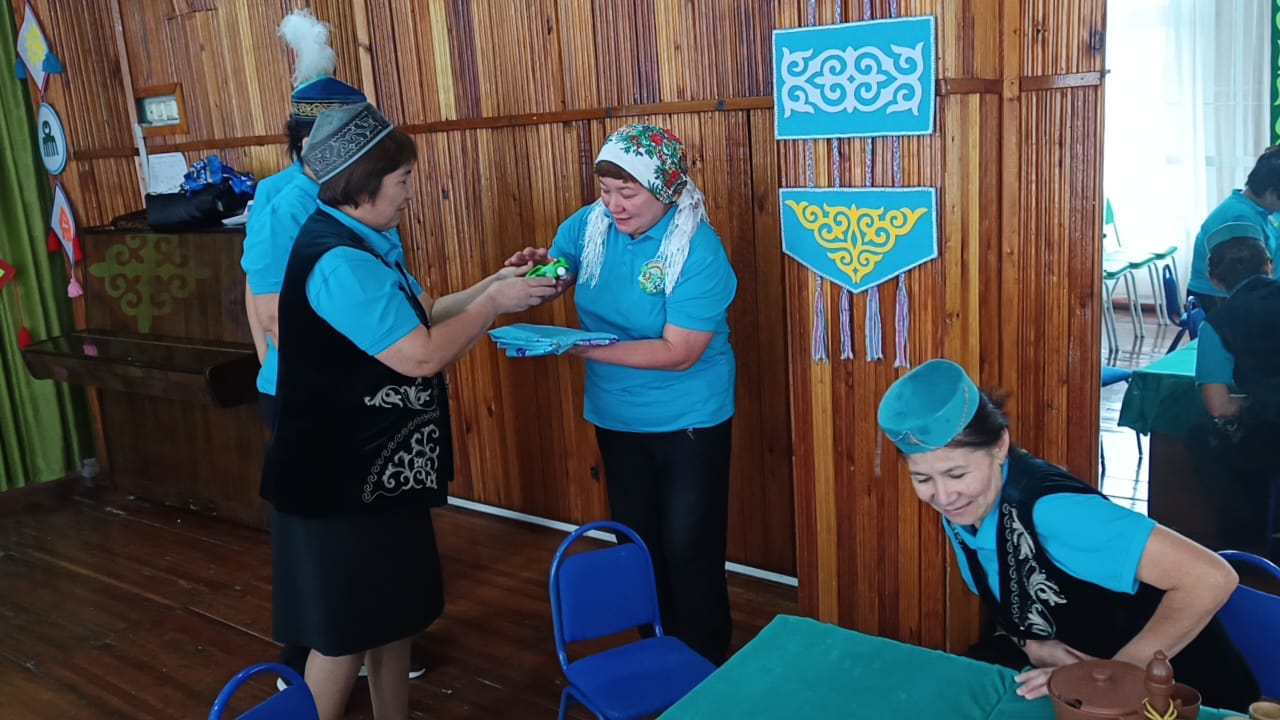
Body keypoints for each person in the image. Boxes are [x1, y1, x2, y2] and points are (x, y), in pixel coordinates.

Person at [261, 102, 556, 720]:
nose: (409, 195)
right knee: (343, 636)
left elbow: (418, 317)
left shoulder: (364, 240)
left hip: (378, 474)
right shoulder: (338, 260)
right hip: (336, 484)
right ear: (362, 185)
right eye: (402, 182)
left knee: (393, 620)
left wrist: (496, 284)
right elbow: (421, 355)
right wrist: (494, 306)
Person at [876, 359, 1259, 712]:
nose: (943, 496)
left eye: (957, 474)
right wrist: (1031, 643)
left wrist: (1111, 675)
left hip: (1181, 692)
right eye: (922, 479)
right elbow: (1013, 600)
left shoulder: (1054, 512)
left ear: (999, 446)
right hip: (1072, 680)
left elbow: (1212, 578)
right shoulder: (965, 509)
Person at [238, 9, 435, 687]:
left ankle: (372, 643)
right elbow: (270, 314)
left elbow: (394, 296)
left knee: (372, 554)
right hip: (315, 396)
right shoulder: (284, 201)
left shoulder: (361, 192)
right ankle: (311, 668)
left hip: (366, 391)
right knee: (327, 562)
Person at [505, 123, 738, 664]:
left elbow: (679, 351)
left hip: (689, 418)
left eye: (627, 193)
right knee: (636, 541)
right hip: (616, 413)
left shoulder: (696, 249)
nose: (613, 205)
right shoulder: (589, 225)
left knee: (690, 546)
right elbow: (563, 270)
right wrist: (538, 274)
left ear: (665, 189)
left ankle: (703, 661)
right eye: (606, 191)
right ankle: (653, 650)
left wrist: (577, 347)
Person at [1190, 221, 1280, 557]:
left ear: (1214, 280)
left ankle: (1245, 543)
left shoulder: (1218, 324)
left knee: (1202, 437)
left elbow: (1217, 405)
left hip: (1271, 434)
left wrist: (1252, 401)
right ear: (1268, 265)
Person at [1187, 146, 1280, 312]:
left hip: (1252, 294)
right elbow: (1248, 284)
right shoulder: (1240, 219)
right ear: (1271, 193)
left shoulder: (1263, 210)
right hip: (1222, 302)